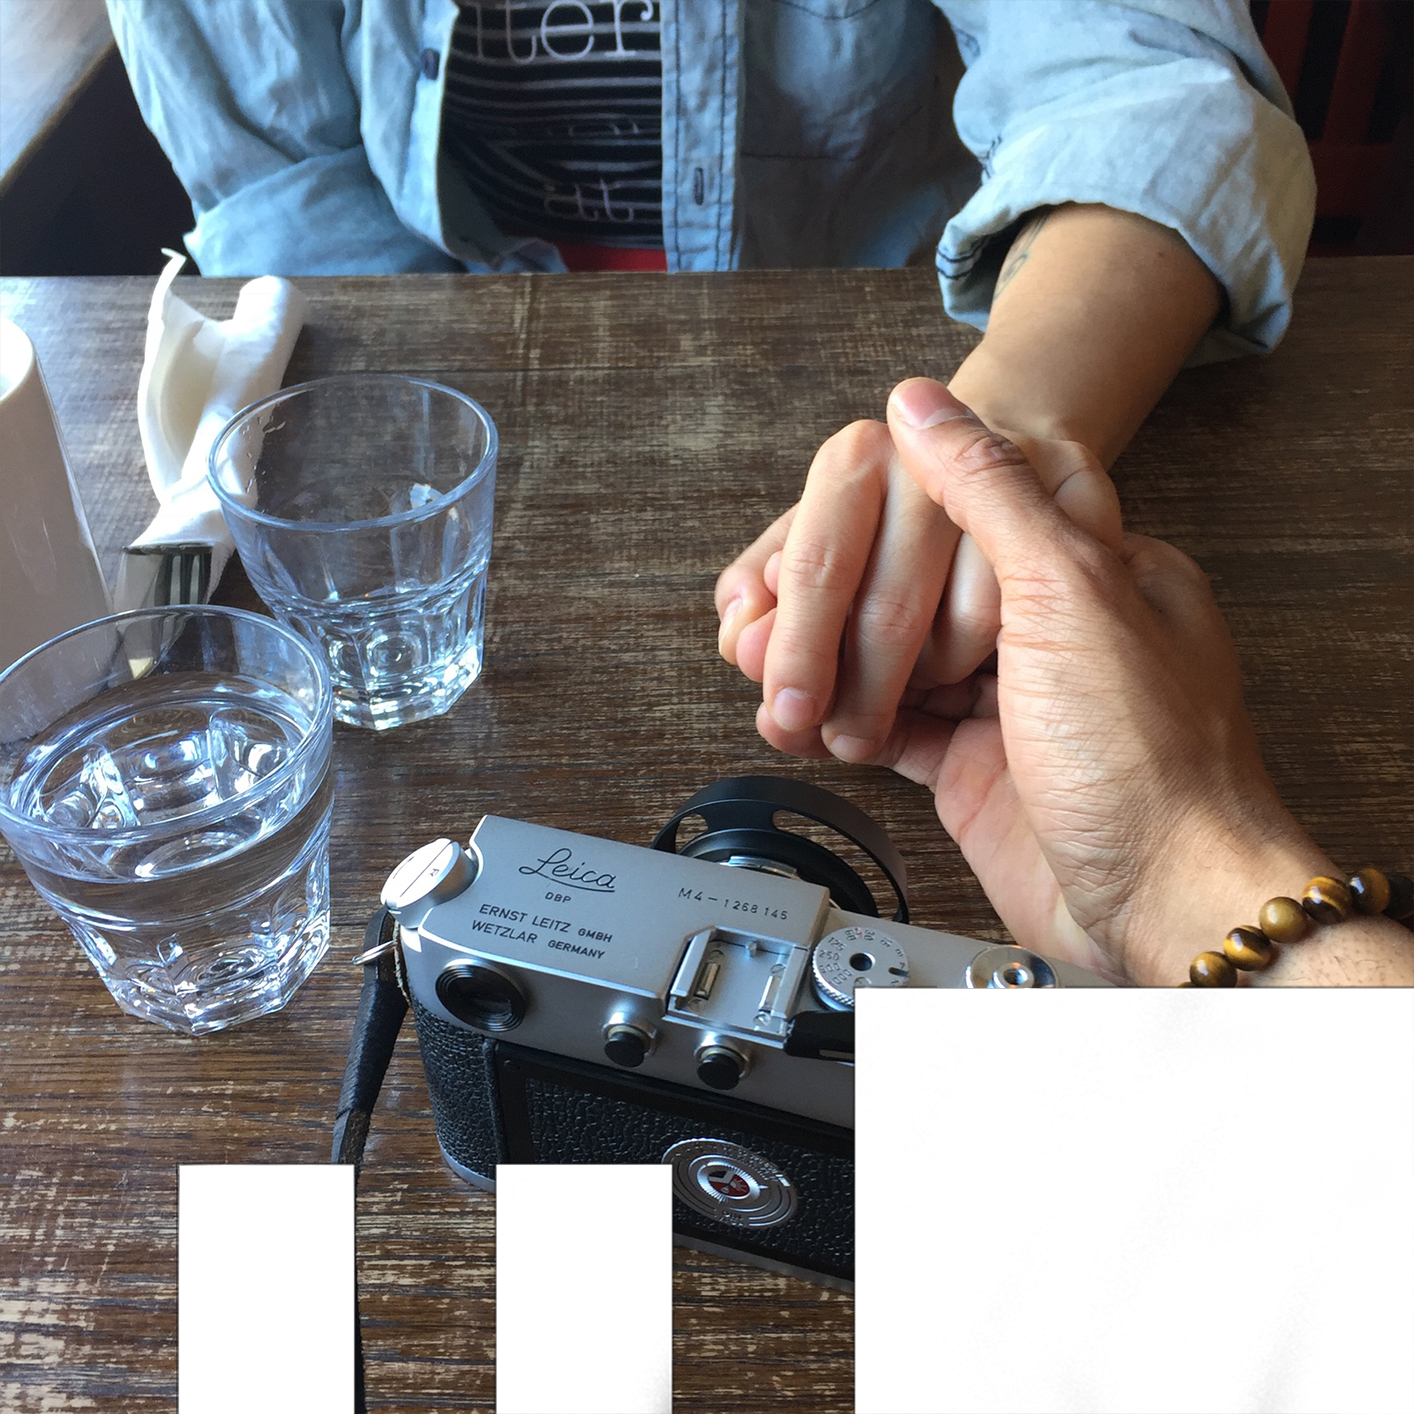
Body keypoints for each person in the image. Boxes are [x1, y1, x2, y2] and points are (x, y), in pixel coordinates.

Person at [111, 2, 1400, 984]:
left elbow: (1151, 83)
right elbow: (283, 184)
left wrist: (1001, 429)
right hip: (428, 412)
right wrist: (1183, 885)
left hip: (925, 340)